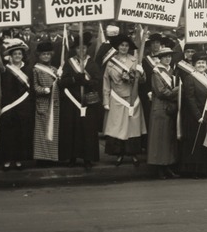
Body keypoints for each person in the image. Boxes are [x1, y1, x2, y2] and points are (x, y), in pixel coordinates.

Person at [59, 33, 101, 170]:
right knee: (72, 130)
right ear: (75, 50)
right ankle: (72, 157)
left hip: (87, 100)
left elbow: (98, 82)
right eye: (78, 48)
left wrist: (87, 82)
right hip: (72, 100)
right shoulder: (69, 63)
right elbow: (62, 82)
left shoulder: (92, 63)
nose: (81, 50)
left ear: (87, 49)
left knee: (87, 131)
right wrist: (74, 79)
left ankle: (87, 158)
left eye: (83, 48)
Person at [102, 34, 145, 166]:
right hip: (117, 97)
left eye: (126, 46)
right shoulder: (111, 62)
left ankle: (133, 154)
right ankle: (119, 154)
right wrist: (106, 101)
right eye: (122, 45)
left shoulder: (135, 61)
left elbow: (143, 82)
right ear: (117, 47)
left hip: (132, 97)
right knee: (117, 126)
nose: (124, 48)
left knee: (133, 127)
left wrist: (139, 74)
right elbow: (106, 82)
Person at [180, 52, 207, 178]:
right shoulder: (190, 78)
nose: (201, 65)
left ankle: (205, 170)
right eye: (199, 63)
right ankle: (194, 171)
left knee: (205, 142)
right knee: (195, 143)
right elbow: (189, 98)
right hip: (195, 116)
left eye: (203, 63)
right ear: (194, 65)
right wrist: (197, 115)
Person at [0, 39, 34, 170]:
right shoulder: (5, 70)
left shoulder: (28, 69)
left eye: (20, 54)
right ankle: (7, 160)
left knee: (21, 134)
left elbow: (31, 88)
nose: (18, 56)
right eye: (15, 54)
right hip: (9, 106)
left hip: (24, 106)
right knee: (8, 135)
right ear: (11, 56)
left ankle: (19, 160)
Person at [147, 46, 179, 179]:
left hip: (170, 107)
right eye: (165, 56)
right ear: (160, 58)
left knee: (169, 139)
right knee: (159, 138)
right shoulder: (156, 72)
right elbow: (161, 92)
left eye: (169, 56)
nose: (168, 58)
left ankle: (168, 166)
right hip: (160, 108)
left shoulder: (171, 70)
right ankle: (160, 168)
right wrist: (177, 91)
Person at [32, 41, 60, 162]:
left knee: (53, 131)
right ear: (39, 55)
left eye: (48, 54)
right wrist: (44, 90)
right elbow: (34, 87)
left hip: (55, 104)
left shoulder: (54, 69)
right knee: (42, 131)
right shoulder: (35, 70)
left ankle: (52, 157)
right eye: (44, 54)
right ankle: (41, 158)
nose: (46, 56)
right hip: (42, 103)